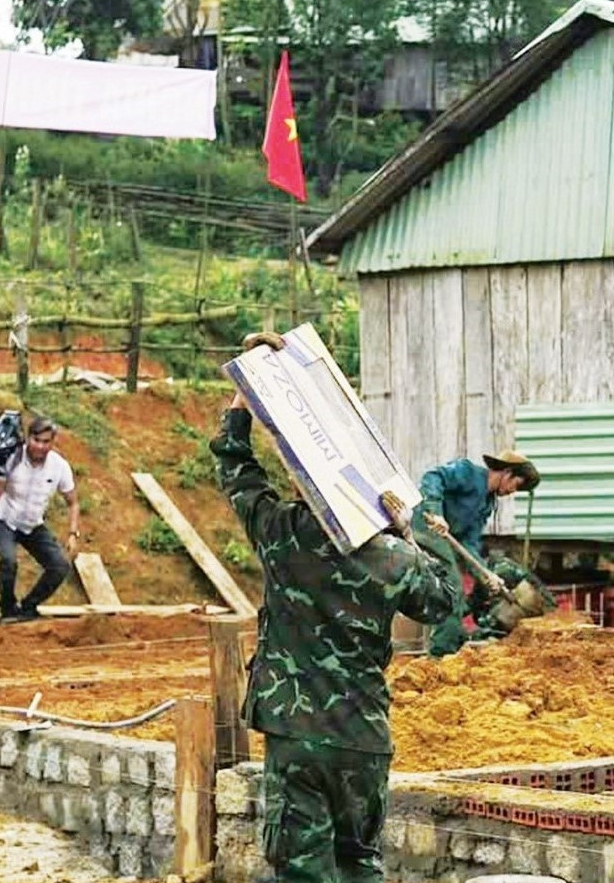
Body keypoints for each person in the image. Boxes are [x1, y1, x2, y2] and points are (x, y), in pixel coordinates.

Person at [211, 352, 459, 883]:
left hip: (295, 732)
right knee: (359, 865)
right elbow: (442, 602)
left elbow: (236, 471)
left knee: (302, 871)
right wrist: (405, 535)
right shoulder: (390, 557)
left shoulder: (282, 534)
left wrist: (243, 401)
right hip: (362, 737)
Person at [414, 450, 541, 656]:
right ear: (507, 473)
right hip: (427, 526)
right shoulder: (468, 472)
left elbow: (470, 542)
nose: (511, 492)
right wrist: (436, 512)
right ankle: (440, 655)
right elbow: (433, 477)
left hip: (447, 539)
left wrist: (485, 574)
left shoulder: (487, 503)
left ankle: (453, 638)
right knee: (452, 585)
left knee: (465, 589)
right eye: (515, 485)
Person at [0, 416, 79, 624]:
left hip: (32, 524)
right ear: (27, 438)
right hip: (2, 519)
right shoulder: (12, 458)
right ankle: (7, 608)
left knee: (59, 565)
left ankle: (28, 607)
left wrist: (72, 533)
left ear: (53, 443)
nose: (40, 446)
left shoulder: (59, 466)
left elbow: (73, 502)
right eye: (36, 440)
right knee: (9, 560)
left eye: (46, 442)